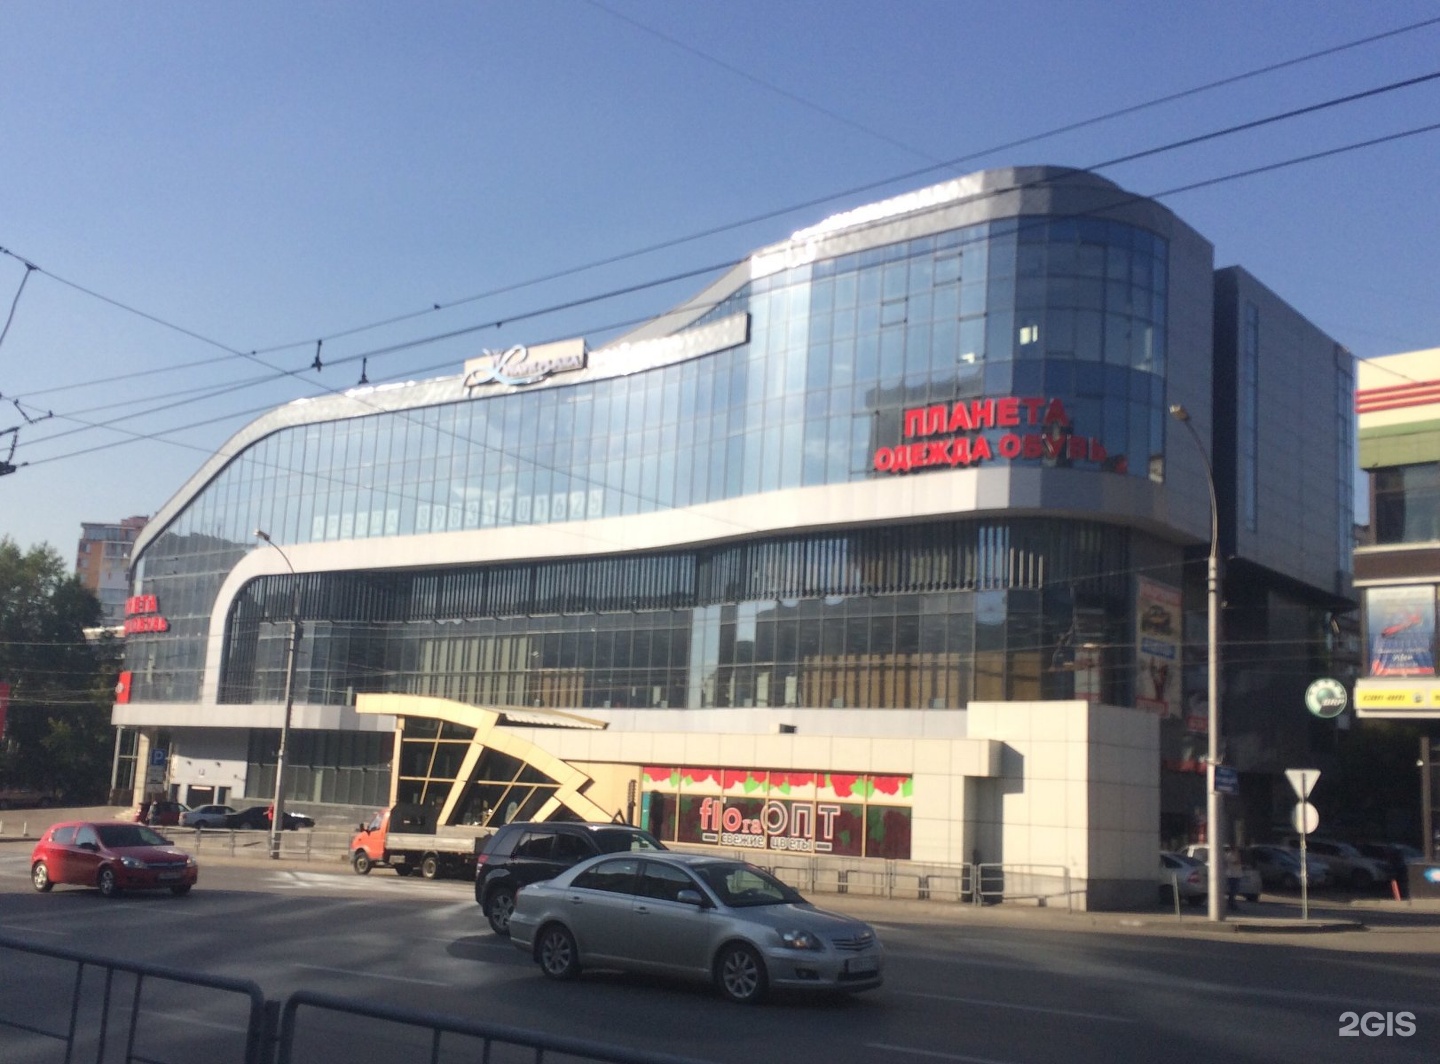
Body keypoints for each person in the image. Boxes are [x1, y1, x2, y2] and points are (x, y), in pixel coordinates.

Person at [1224, 845, 1243, 911]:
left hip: (1236, 875)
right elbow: (1237, 862)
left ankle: (1231, 903)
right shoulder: (1230, 855)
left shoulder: (1233, 855)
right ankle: (1231, 903)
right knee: (1233, 890)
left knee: (1235, 890)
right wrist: (1238, 856)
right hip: (1232, 875)